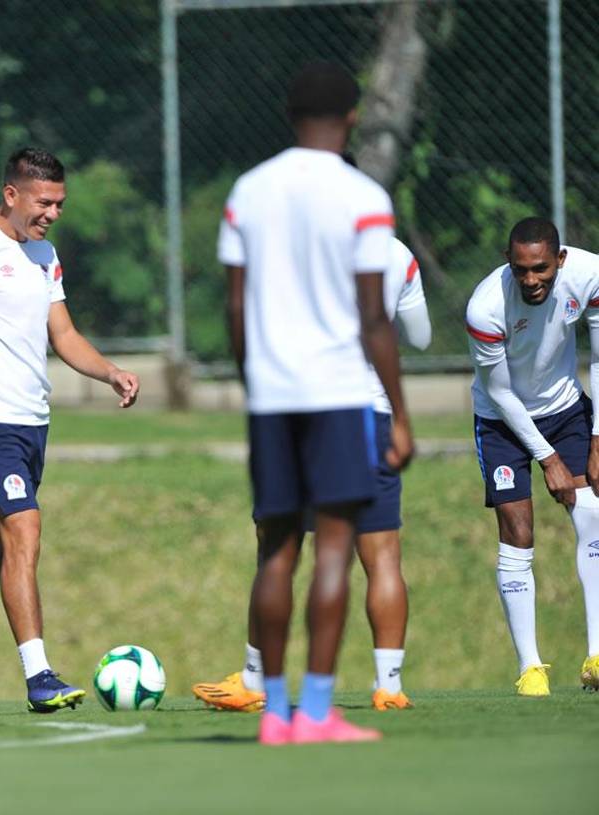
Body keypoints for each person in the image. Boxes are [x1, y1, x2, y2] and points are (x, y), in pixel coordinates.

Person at [218, 62, 414, 745]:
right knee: (333, 552)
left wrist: (255, 382)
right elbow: (373, 317)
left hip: (272, 397)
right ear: (354, 115)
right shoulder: (363, 196)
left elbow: (235, 304)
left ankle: (273, 712)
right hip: (336, 395)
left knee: (276, 551)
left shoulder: (248, 191)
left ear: (288, 114)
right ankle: (318, 710)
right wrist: (401, 411)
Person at [0, 147, 140, 717]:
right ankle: (39, 675)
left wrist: (109, 371)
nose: (53, 213)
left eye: (60, 203)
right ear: (11, 194)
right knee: (25, 531)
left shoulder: (44, 254)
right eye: (44, 202)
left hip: (31, 423)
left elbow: (62, 334)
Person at [194, 236, 430, 713]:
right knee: (381, 554)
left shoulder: (296, 246)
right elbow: (421, 336)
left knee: (277, 549)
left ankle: (257, 681)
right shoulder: (397, 253)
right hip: (370, 415)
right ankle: (389, 686)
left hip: (301, 412)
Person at [465, 216, 599, 695]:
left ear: (559, 260)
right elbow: (499, 393)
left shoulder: (590, 275)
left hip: (565, 410)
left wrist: (598, 436)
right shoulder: (485, 307)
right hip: (502, 421)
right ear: (509, 261)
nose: (531, 280)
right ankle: (531, 668)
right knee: (517, 531)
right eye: (521, 270)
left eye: (541, 268)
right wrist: (549, 459)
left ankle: (596, 656)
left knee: (591, 517)